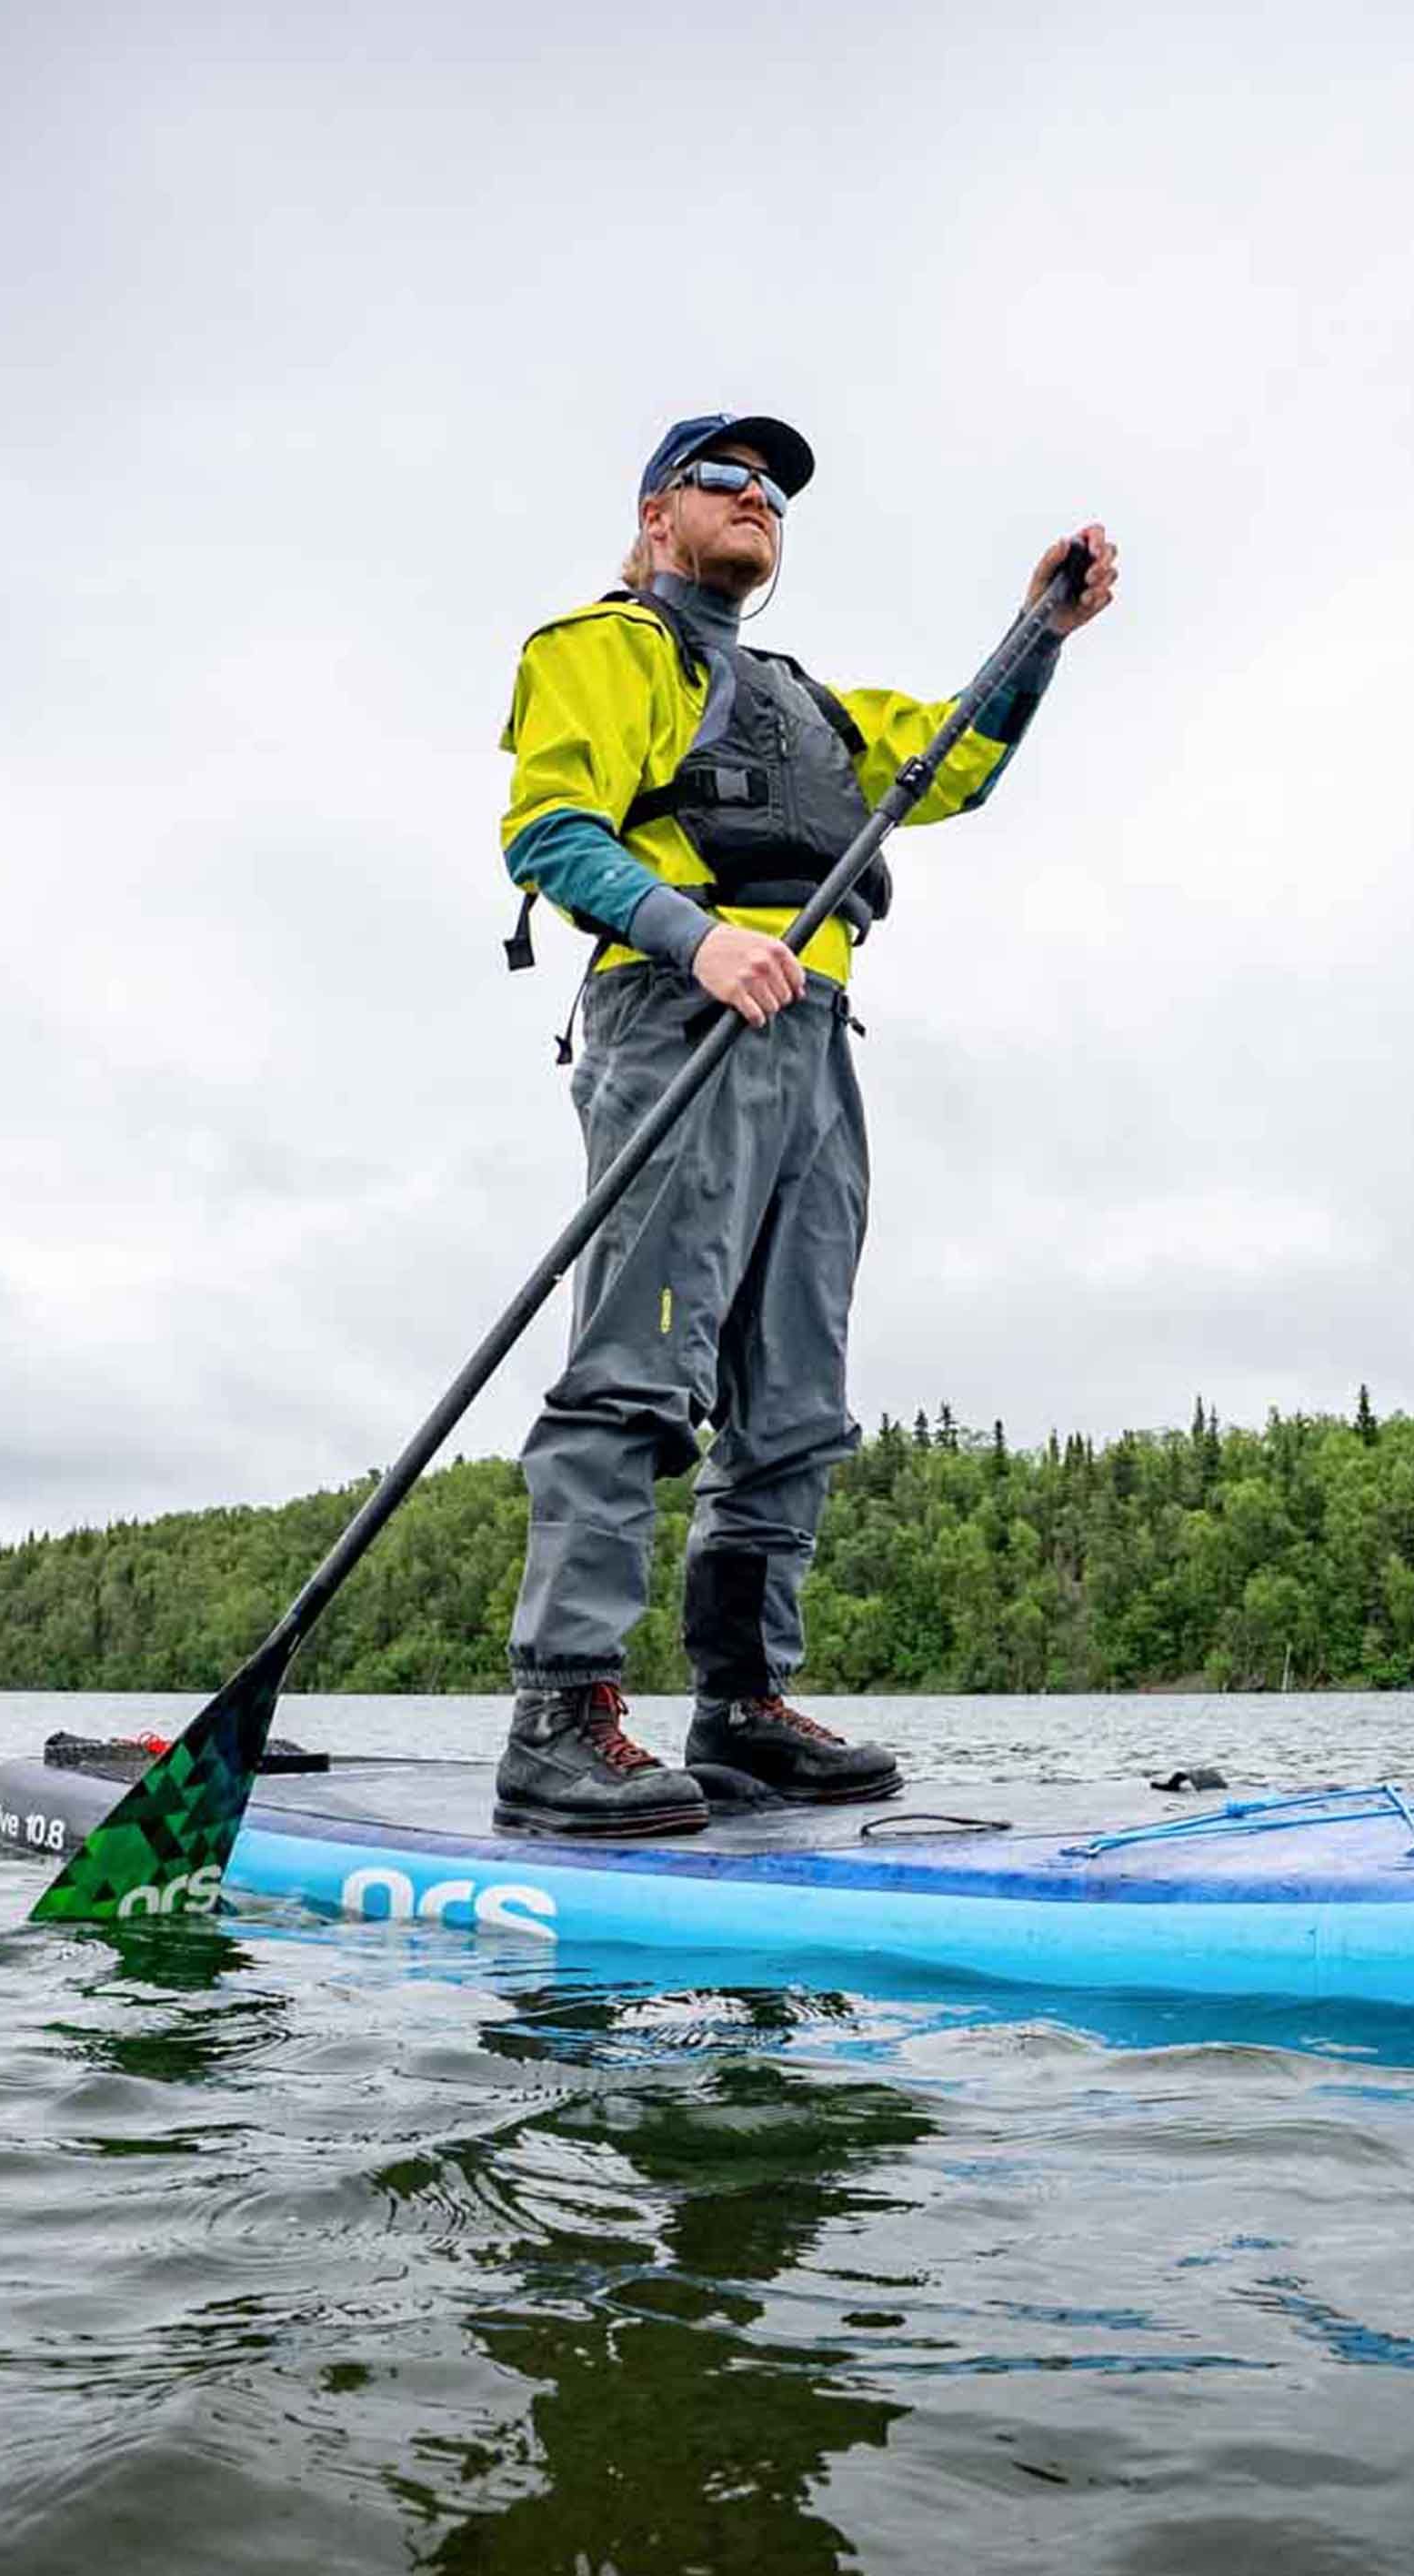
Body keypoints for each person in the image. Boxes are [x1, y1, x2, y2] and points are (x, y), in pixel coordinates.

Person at [491, 408, 1119, 1836]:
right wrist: (693, 938)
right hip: (681, 1013)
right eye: (727, 479)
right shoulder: (599, 648)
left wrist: (1041, 634)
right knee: (641, 1363)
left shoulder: (808, 699)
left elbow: (953, 758)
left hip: (819, 1041)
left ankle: (741, 1705)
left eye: (775, 488)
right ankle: (562, 1711)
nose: (759, 498)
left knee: (795, 1395)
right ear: (659, 515)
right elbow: (549, 829)